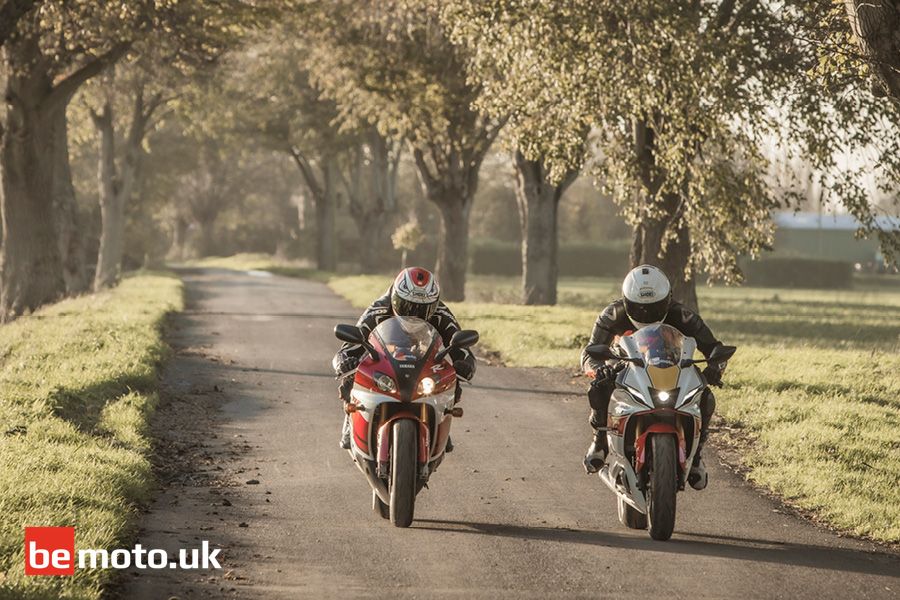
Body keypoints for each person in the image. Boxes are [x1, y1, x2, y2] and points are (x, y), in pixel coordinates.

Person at [580, 265, 729, 490]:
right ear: (626, 300)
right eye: (639, 308)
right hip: (625, 367)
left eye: (654, 307)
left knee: (705, 395)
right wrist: (598, 368)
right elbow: (589, 352)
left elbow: (714, 347)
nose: (647, 314)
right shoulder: (612, 314)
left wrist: (715, 368)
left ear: (667, 300)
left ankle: (697, 456)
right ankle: (599, 441)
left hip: (670, 368)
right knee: (598, 387)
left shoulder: (682, 315)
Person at [332, 267, 476, 449]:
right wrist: (344, 363)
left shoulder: (441, 314)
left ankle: (440, 420)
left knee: (452, 377)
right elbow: (346, 349)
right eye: (407, 306)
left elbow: (464, 351)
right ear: (395, 299)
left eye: (423, 309)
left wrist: (465, 366)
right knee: (352, 373)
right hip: (385, 357)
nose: (414, 314)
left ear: (434, 304)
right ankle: (350, 418)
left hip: (424, 359)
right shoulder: (378, 310)